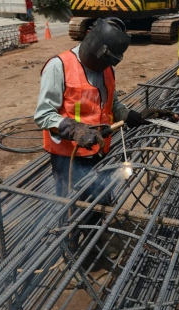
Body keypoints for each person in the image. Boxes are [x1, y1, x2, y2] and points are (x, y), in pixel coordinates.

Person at [34, 17, 146, 200]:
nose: (105, 65)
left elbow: (111, 102)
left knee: (98, 201)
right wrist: (74, 129)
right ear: (92, 41)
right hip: (70, 157)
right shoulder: (59, 66)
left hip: (100, 151)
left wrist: (126, 114)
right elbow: (43, 115)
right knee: (73, 208)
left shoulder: (107, 67)